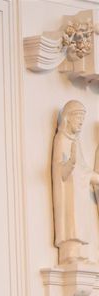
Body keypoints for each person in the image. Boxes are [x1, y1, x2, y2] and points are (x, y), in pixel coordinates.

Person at [52, 100, 99, 266]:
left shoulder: (75, 141)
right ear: (68, 118)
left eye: (82, 119)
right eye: (78, 117)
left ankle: (79, 254)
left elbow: (83, 168)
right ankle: (69, 255)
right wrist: (70, 163)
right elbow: (59, 170)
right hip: (68, 194)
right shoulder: (61, 139)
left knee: (79, 222)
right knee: (71, 223)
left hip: (78, 192)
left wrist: (92, 177)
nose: (80, 122)